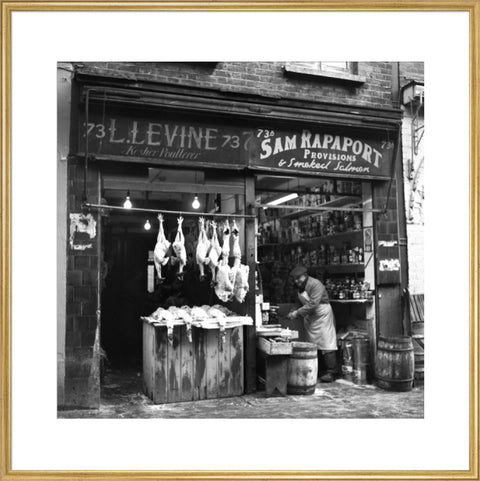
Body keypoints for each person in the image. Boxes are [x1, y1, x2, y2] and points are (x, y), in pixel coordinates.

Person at [287, 265, 338, 382]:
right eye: (294, 279)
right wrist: (292, 311)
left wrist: (297, 313)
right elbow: (298, 303)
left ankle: (332, 372)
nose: (296, 281)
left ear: (305, 276)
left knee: (327, 344)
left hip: (322, 315)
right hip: (311, 318)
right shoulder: (299, 287)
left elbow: (313, 304)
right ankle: (318, 371)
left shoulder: (316, 285)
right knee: (312, 345)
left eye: (298, 278)